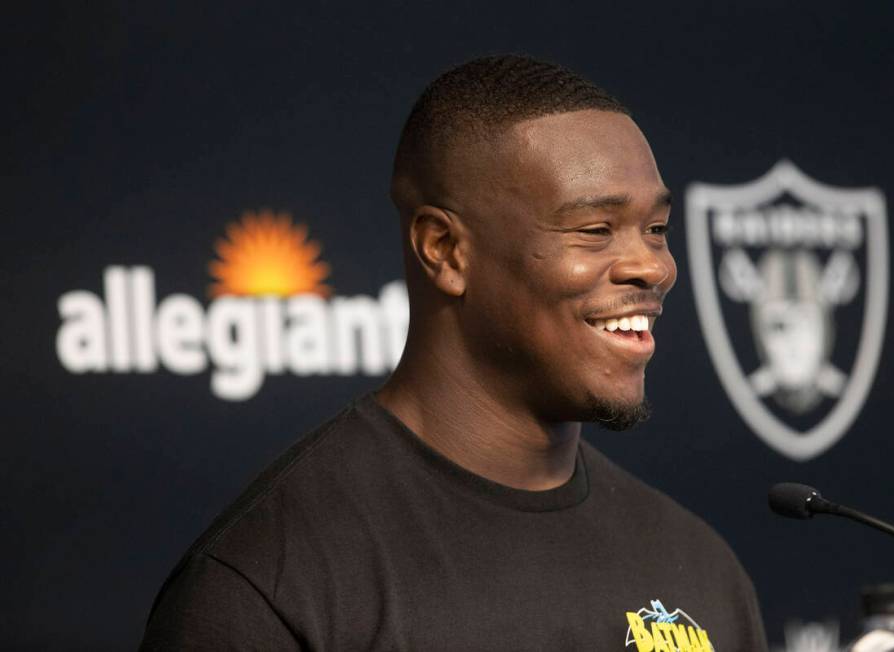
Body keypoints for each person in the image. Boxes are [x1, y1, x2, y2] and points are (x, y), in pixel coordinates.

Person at [140, 55, 768, 651]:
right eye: (594, 230)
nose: (650, 266)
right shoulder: (269, 581)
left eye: (656, 230)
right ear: (445, 250)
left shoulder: (701, 570)